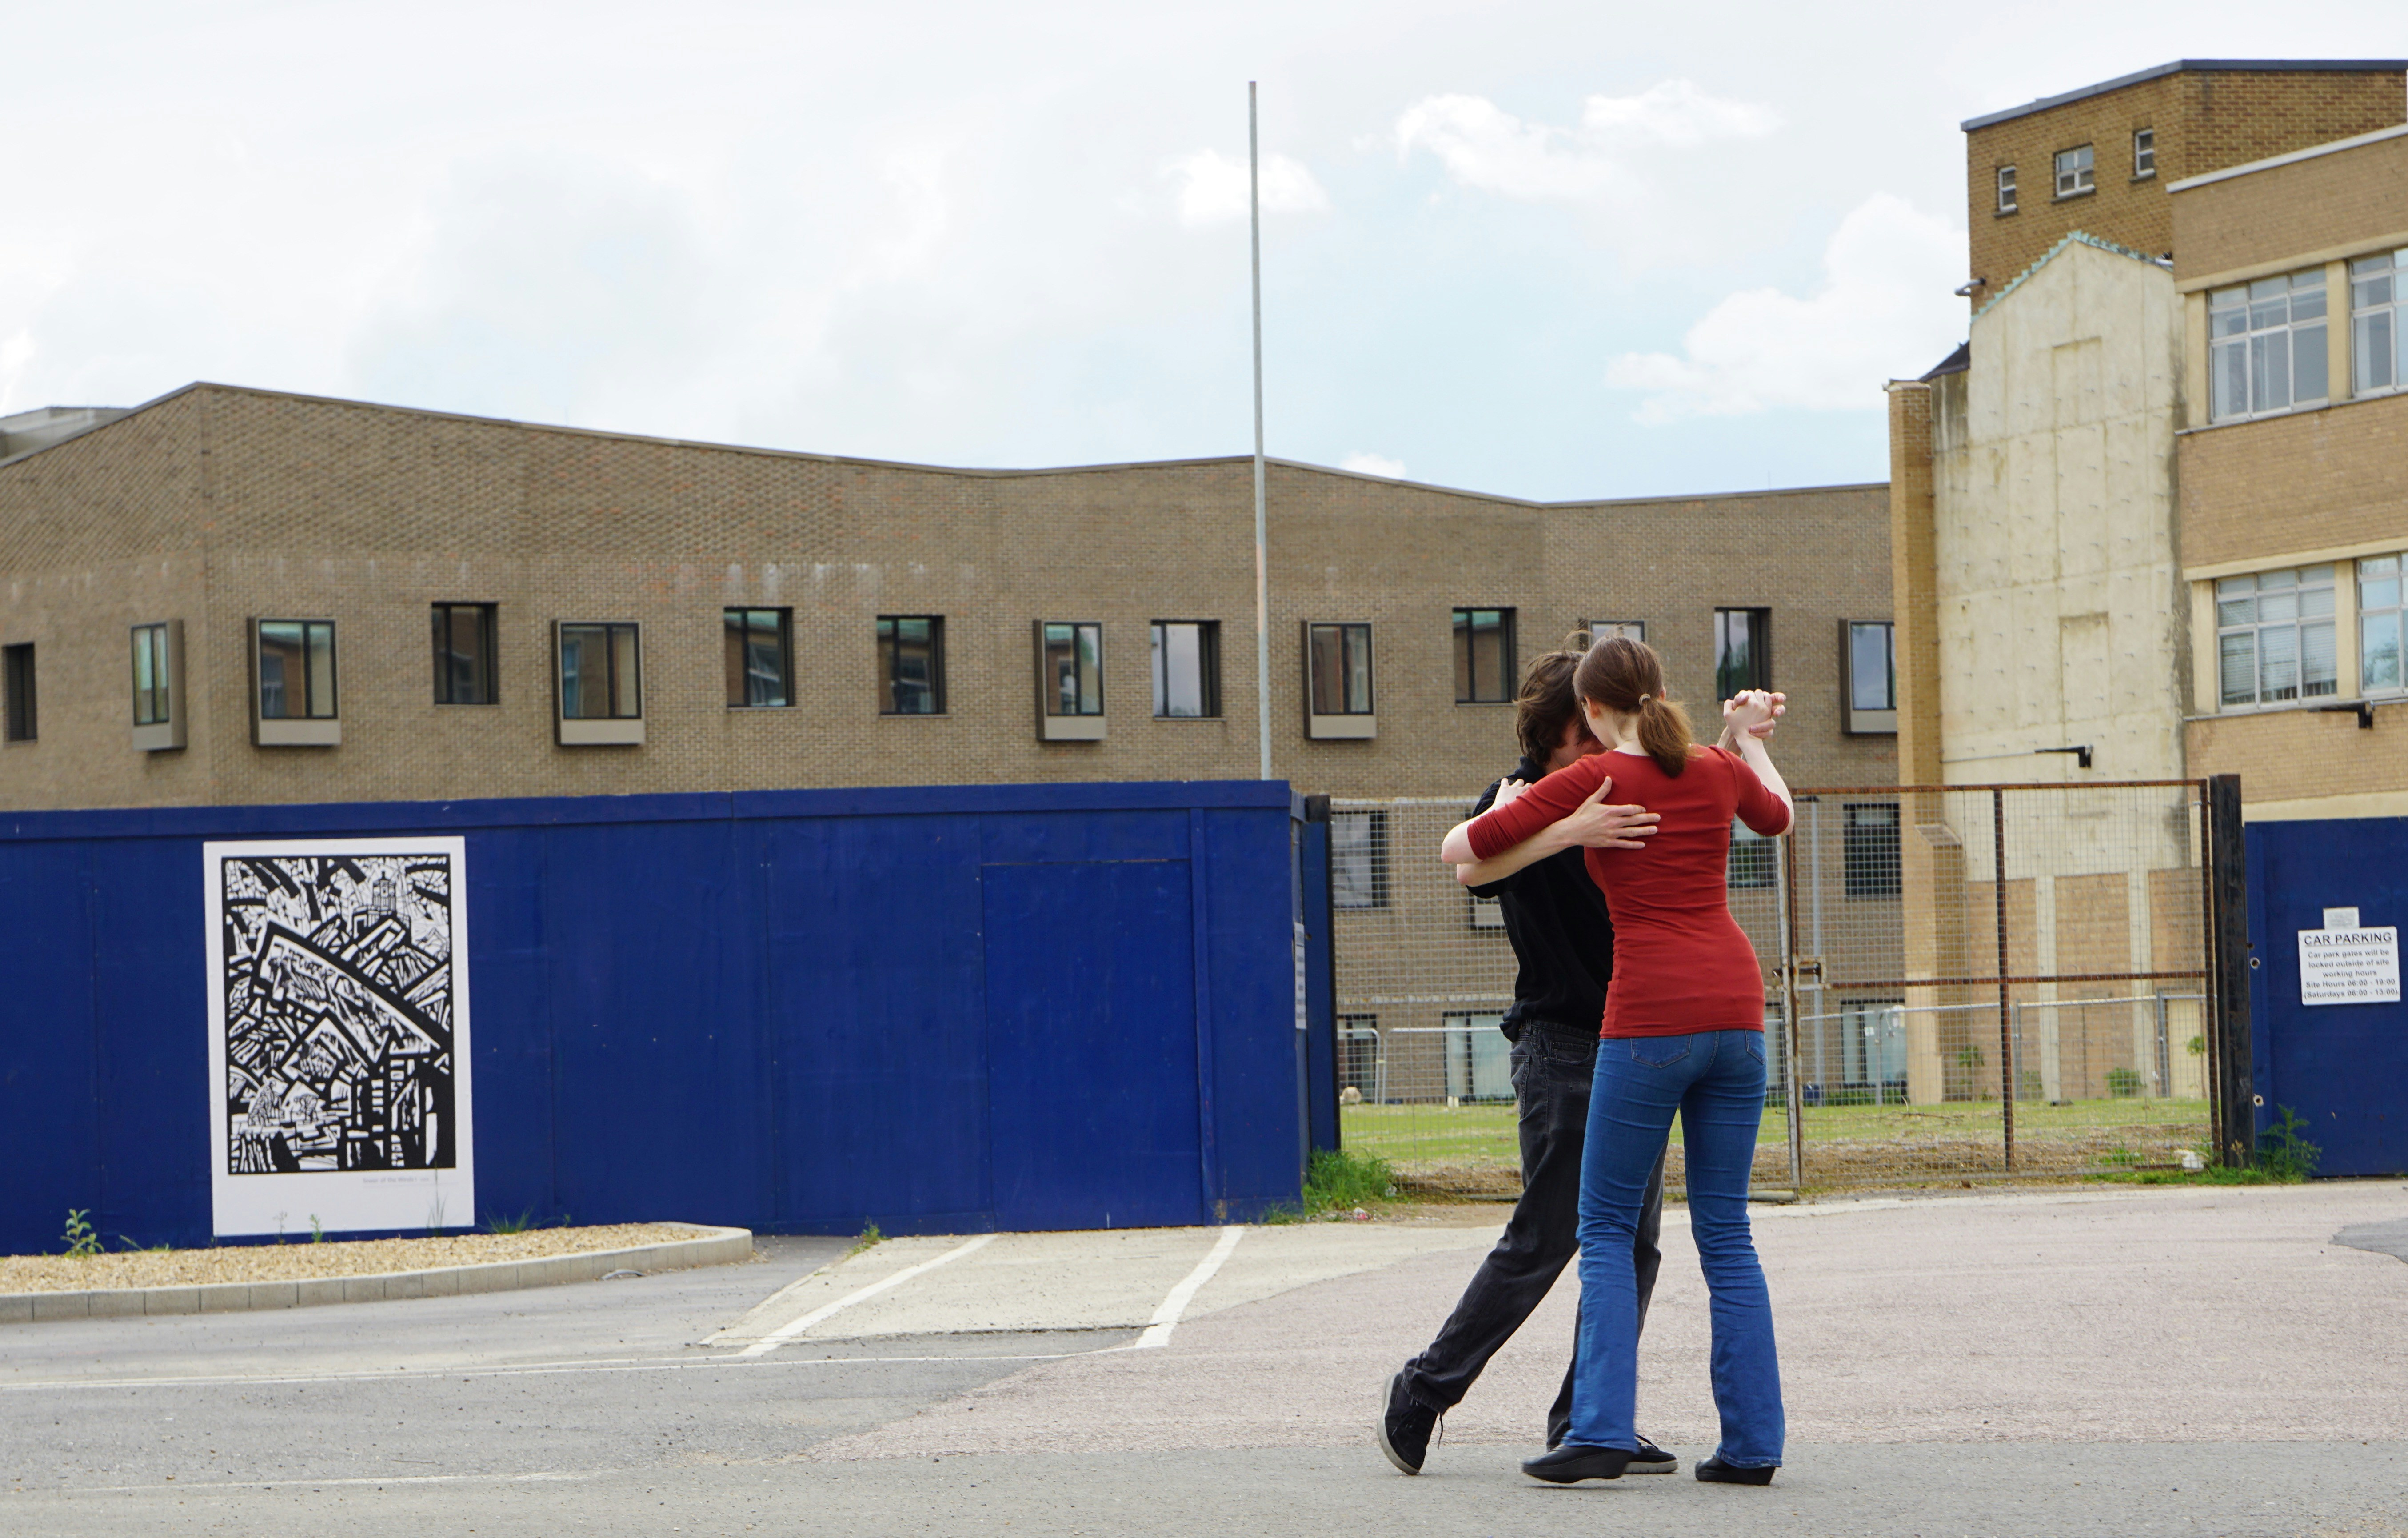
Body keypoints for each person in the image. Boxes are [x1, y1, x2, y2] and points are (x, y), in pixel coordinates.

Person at [1378, 634, 1779, 1478]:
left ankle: (1591, 1418)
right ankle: (1427, 1387)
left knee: (1635, 1243)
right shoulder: (1531, 790)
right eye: (1582, 743)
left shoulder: (1649, 769)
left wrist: (1738, 737)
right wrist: (1568, 828)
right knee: (1552, 1234)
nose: (1597, 754)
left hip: (1651, 1034)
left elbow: (1721, 784)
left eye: (1602, 739)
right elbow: (1471, 867)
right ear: (1555, 734)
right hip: (1567, 1039)